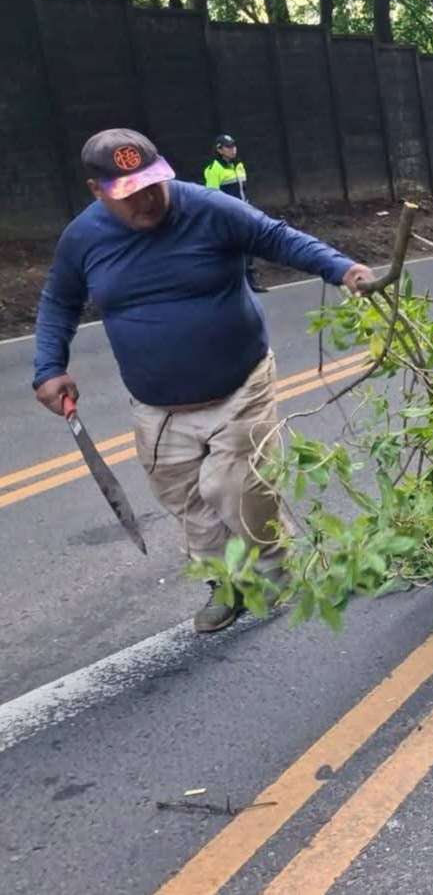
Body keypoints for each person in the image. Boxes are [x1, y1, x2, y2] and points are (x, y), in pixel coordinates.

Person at [32, 128, 376, 632]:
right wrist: (49, 368)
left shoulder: (208, 208)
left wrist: (343, 270)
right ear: (97, 191)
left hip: (240, 385)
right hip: (158, 405)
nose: (149, 200)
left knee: (233, 488)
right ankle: (228, 584)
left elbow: (277, 237)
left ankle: (272, 571)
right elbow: (58, 302)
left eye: (153, 184)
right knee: (187, 500)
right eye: (130, 193)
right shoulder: (83, 238)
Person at [202, 134, 266, 293]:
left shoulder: (239, 166)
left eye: (234, 146)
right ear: (220, 150)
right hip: (227, 215)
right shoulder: (213, 169)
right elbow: (212, 196)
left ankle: (250, 282)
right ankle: (234, 284)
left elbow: (243, 190)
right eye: (229, 147)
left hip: (244, 211)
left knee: (248, 246)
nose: (233, 149)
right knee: (232, 248)